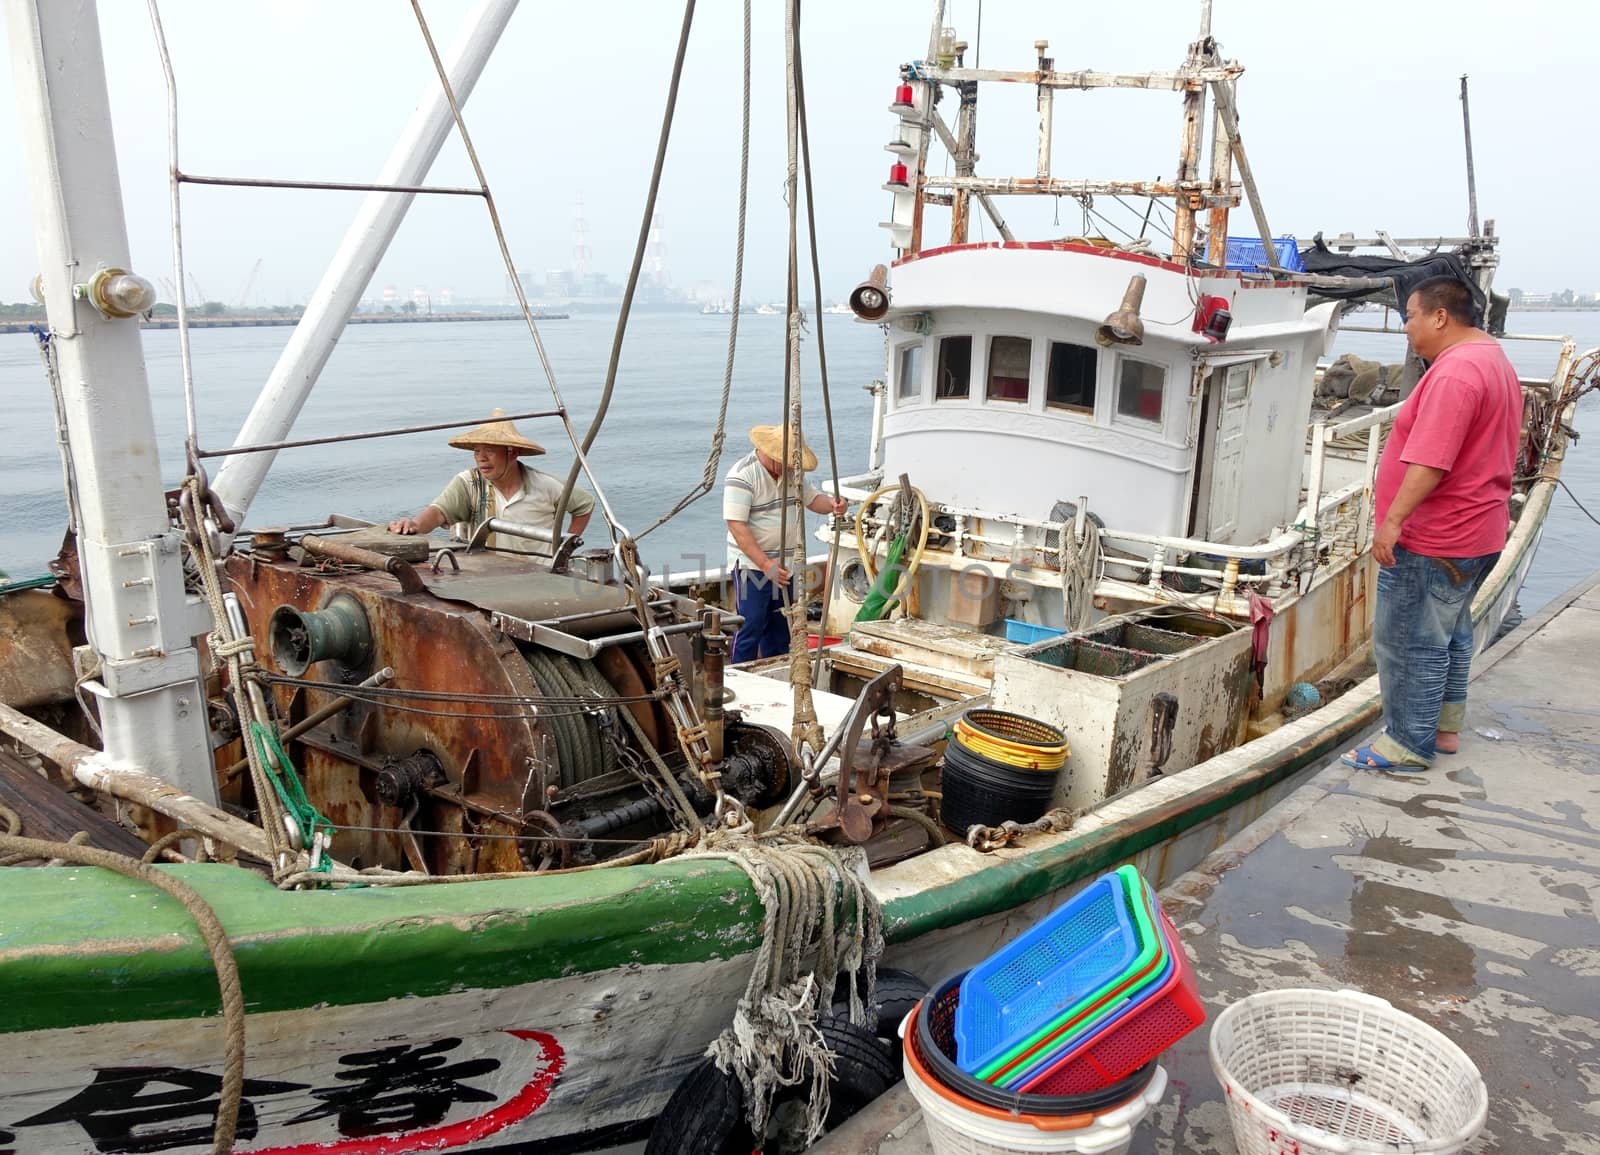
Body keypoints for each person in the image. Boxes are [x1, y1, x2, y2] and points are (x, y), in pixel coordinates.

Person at [1342, 277, 1523, 770]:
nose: (1406, 327)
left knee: (1407, 640)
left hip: (1436, 537)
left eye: (1411, 316)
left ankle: (1407, 743)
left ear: (1440, 316)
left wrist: (1392, 521)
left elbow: (1431, 461)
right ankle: (1443, 731)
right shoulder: (1493, 360)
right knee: (1452, 632)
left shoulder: (1454, 373)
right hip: (1478, 531)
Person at [724, 424, 847, 662]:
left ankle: (775, 671)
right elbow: (737, 526)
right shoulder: (742, 475)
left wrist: (833, 505)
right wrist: (765, 564)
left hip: (785, 564)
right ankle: (739, 673)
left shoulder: (792, 472)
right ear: (770, 455)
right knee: (752, 623)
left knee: (781, 624)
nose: (791, 468)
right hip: (753, 565)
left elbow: (813, 500)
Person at [388, 409, 593, 551]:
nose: (481, 458)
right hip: (486, 576)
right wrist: (414, 524)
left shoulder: (546, 485)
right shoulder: (469, 483)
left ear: (512, 453)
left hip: (540, 576)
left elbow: (584, 505)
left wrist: (565, 546)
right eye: (477, 451)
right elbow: (438, 513)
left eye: (490, 451)